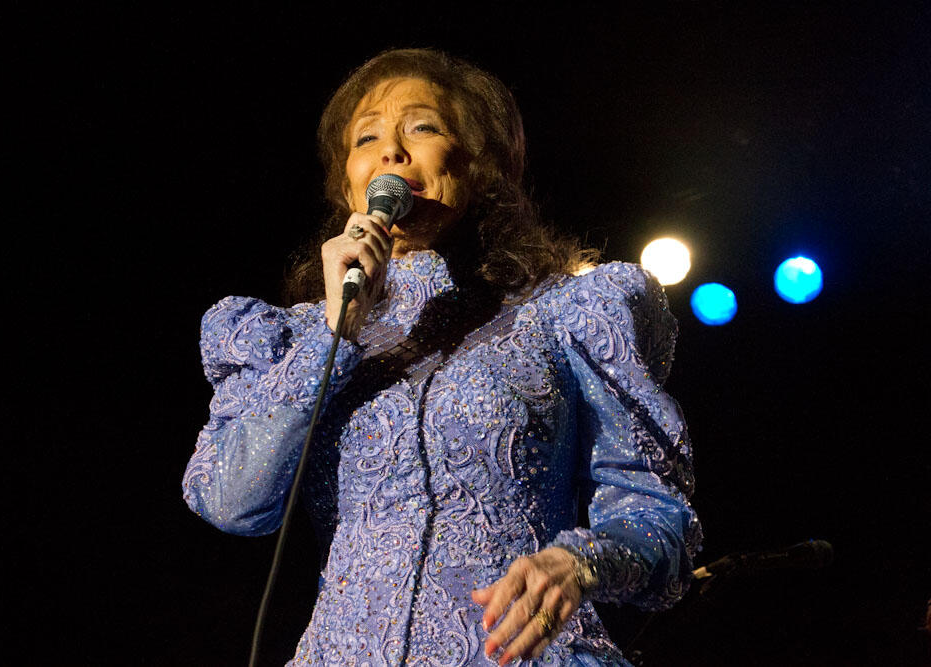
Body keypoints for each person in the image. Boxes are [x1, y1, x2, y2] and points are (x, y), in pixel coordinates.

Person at [183, 48, 701, 666]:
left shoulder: (565, 313)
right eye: (366, 138)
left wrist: (582, 562)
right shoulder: (294, 340)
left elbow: (657, 516)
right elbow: (231, 502)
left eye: (422, 128)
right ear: (346, 182)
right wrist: (334, 334)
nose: (390, 151)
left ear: (480, 167)